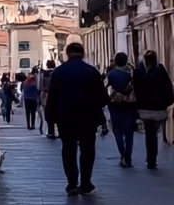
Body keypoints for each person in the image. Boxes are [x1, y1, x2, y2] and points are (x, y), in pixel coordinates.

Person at [44, 42, 108, 194]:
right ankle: (86, 183)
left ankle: (72, 183)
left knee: (68, 148)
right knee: (87, 149)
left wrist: (50, 118)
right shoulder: (92, 71)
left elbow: (52, 97)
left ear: (67, 53)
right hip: (88, 117)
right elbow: (103, 98)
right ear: (83, 53)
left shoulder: (59, 72)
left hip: (65, 117)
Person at [134, 50, 174, 169]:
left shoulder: (138, 71)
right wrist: (168, 102)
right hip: (158, 108)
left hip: (144, 108)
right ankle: (153, 158)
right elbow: (168, 88)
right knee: (155, 133)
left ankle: (150, 158)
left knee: (149, 134)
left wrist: (138, 105)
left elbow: (136, 90)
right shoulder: (160, 70)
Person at [105, 51, 137, 168]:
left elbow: (105, 89)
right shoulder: (132, 74)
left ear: (116, 62)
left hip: (115, 106)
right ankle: (128, 157)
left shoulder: (111, 74)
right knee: (129, 132)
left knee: (117, 130)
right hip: (130, 105)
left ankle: (122, 154)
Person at [41, 59, 57, 137]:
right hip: (58, 94)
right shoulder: (57, 72)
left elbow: (42, 85)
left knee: (48, 113)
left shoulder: (46, 74)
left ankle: (51, 132)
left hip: (47, 94)